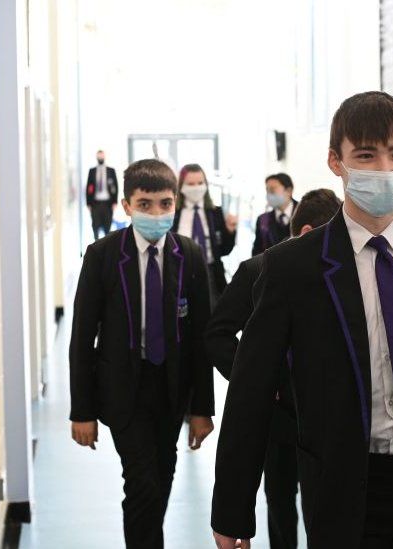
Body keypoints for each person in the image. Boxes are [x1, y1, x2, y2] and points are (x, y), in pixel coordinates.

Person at [212, 91, 393, 548]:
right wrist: (232, 510)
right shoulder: (291, 268)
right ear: (335, 161)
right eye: (365, 155)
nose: (384, 169)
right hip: (340, 479)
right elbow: (251, 393)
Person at [69, 158, 215, 548]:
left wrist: (202, 408)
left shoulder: (190, 255)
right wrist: (81, 410)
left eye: (165, 204)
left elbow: (203, 338)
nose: (156, 213)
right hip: (123, 390)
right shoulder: (102, 256)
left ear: (176, 204)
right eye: (145, 204)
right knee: (143, 483)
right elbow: (82, 337)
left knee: (162, 476)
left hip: (171, 388)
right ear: (127, 205)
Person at [205, 188, 341, 549]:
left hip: (330, 416)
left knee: (329, 508)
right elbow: (217, 334)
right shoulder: (259, 270)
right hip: (279, 414)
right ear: (310, 232)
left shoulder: (344, 274)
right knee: (280, 503)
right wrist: (257, 381)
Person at [172, 163, 238, 297]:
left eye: (200, 183)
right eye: (190, 184)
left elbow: (224, 250)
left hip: (211, 273)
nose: (196, 187)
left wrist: (230, 232)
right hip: (180, 273)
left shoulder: (216, 212)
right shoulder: (173, 213)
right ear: (181, 186)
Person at [251, 173, 297, 256]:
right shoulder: (262, 220)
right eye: (267, 190)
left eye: (272, 190)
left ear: (289, 191)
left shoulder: (304, 211)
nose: (268, 195)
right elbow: (256, 253)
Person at [86, 149, 119, 240]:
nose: (100, 157)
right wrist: (88, 203)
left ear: (104, 157)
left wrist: (115, 201)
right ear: (96, 157)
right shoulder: (92, 171)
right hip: (95, 203)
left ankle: (106, 249)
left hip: (108, 204)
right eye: (99, 156)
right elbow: (88, 187)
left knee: (107, 228)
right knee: (95, 227)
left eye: (102, 155)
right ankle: (96, 248)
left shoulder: (111, 170)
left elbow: (115, 186)